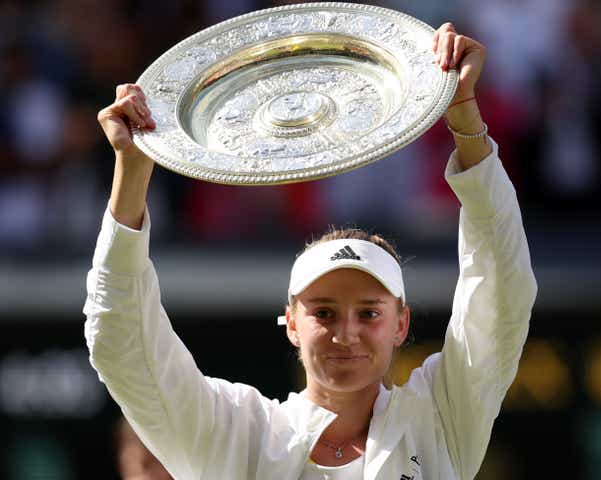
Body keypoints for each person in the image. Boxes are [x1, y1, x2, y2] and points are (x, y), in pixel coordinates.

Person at [84, 22, 537, 480]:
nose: (346, 333)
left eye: (369, 313)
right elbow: (121, 345)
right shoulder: (239, 433)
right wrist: (133, 170)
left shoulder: (439, 416)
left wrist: (464, 117)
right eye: (323, 312)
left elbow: (500, 293)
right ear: (292, 324)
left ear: (401, 324)